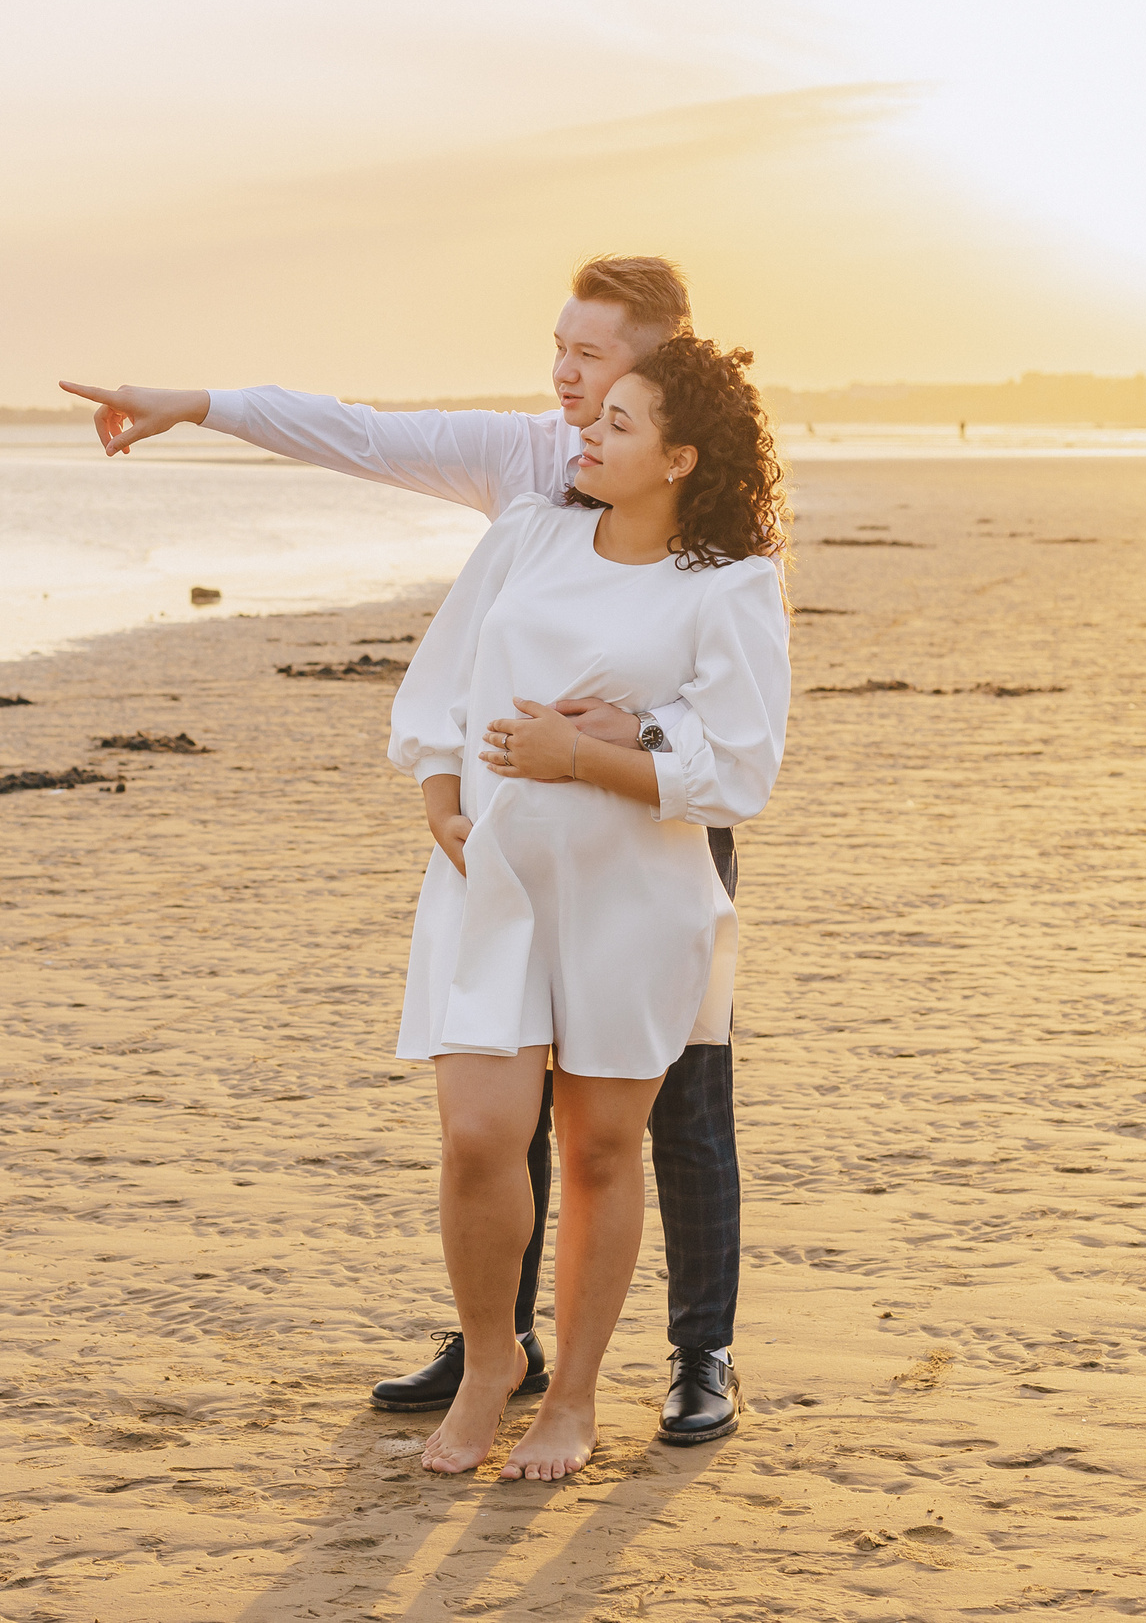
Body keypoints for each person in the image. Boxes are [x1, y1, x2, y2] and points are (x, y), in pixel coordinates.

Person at [59, 256, 749, 1448]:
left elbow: (729, 713)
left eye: (592, 357)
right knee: (498, 1109)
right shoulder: (533, 470)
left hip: (641, 828)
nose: (565, 376)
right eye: (560, 347)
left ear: (661, 371)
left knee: (657, 1114)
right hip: (510, 833)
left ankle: (699, 1352)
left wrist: (617, 739)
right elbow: (362, 434)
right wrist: (201, 404)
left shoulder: (718, 531)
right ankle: (503, 1344)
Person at [392, 333, 788, 1475]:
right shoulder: (529, 534)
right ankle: (487, 1364)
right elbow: (440, 679)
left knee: (602, 1151)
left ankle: (573, 1396)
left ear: (680, 458)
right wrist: (436, 798)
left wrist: (588, 755)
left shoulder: (729, 584)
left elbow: (740, 769)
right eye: (592, 413)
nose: (588, 434)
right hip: (491, 881)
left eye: (619, 422)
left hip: (630, 897)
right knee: (477, 1139)